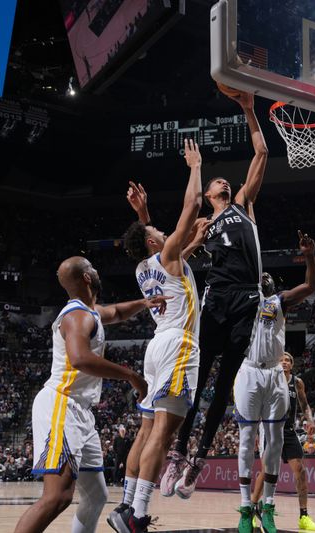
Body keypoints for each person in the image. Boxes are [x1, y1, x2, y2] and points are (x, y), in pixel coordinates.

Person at [162, 87, 269, 499]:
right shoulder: (203, 224)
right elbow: (177, 260)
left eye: (224, 179)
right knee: (198, 376)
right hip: (217, 298)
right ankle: (178, 451)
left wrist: (248, 110)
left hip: (247, 299)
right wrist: (195, 237)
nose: (222, 180)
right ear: (208, 196)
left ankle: (198, 460)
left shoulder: (244, 205)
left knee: (223, 387)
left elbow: (260, 154)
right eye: (215, 181)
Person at [14, 257, 167, 533]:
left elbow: (117, 312)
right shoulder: (76, 316)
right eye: (92, 268)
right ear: (87, 277)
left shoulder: (90, 311)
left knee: (96, 495)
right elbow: (80, 358)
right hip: (61, 404)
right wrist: (130, 375)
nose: (97, 271)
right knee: (57, 496)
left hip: (81, 411)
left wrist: (145, 303)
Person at [108, 139, 205, 533]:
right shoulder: (166, 256)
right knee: (163, 435)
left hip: (156, 348)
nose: (167, 232)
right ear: (153, 241)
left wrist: (143, 215)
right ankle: (138, 516)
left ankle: (127, 504)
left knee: (147, 431)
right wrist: (194, 167)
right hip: (179, 346)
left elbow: (154, 241)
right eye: (157, 230)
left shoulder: (143, 268)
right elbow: (192, 206)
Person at [234, 231, 315, 533]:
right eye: (262, 275)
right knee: (247, 440)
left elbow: (311, 286)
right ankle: (246, 508)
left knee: (275, 441)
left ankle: (267, 507)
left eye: (270, 276)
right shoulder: (241, 301)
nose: (266, 277)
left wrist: (308, 256)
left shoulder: (279, 301)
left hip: (273, 374)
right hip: (248, 372)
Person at [251, 353, 315, 532]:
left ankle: (303, 516)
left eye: (288, 360)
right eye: (281, 359)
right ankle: (250, 511)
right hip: (269, 429)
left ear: (292, 365)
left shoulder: (297, 382)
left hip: (288, 430)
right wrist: (255, 430)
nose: (285, 362)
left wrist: (310, 420)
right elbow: (259, 405)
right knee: (266, 471)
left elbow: (305, 405)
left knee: (300, 471)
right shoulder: (270, 379)